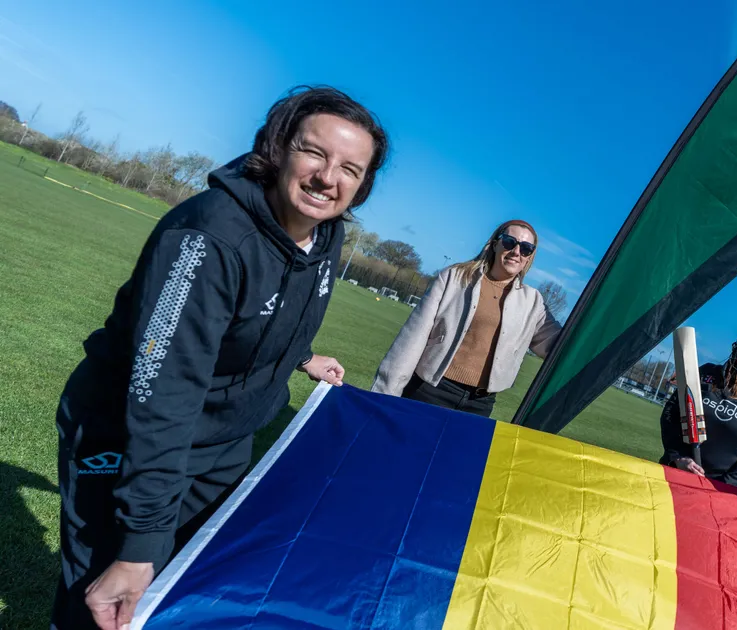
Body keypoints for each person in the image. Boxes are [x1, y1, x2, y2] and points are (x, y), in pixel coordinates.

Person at [52, 86, 390, 630]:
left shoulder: (324, 235)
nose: (328, 178)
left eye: (350, 169)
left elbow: (266, 310)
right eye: (314, 153)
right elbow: (164, 393)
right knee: (104, 595)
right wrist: (140, 541)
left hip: (225, 443)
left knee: (182, 584)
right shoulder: (209, 236)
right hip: (127, 434)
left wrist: (302, 356)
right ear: (278, 147)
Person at [372, 220, 561, 417]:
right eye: (509, 242)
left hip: (480, 405)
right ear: (495, 244)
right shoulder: (454, 277)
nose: (516, 252)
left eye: (526, 248)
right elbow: (412, 340)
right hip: (431, 391)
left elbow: (559, 346)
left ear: (530, 257)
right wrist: (384, 395)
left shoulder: (533, 301)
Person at [658, 320, 737, 490]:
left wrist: (720, 487)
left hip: (723, 492)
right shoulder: (706, 373)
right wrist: (677, 457)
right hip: (676, 474)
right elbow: (671, 414)